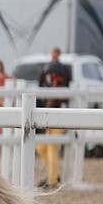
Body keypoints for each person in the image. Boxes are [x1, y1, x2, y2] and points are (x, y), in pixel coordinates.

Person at [37, 49, 70, 188]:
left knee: (51, 146)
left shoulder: (58, 88)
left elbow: (50, 106)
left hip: (59, 122)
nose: (46, 78)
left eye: (48, 75)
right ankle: (54, 174)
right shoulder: (52, 87)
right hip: (51, 122)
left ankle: (52, 179)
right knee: (41, 147)